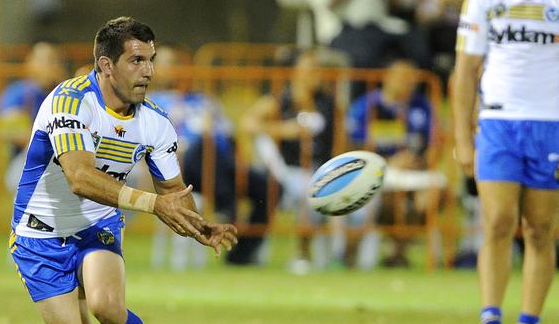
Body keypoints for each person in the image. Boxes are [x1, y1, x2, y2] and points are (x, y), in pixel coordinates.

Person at [8, 17, 237, 324]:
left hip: (96, 224)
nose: (148, 72)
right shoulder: (69, 102)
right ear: (107, 65)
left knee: (108, 308)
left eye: (151, 60)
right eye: (136, 61)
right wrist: (153, 203)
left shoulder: (156, 123)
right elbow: (80, 178)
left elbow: (172, 191)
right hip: (37, 233)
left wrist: (199, 226)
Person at [453, 0, 559, 324]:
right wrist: (463, 141)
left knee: (540, 230)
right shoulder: (483, 1)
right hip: (499, 121)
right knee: (498, 221)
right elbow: (465, 69)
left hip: (551, 124)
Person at [148, 45, 278, 267]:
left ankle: (240, 254)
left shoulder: (205, 100)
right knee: (204, 142)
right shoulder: (150, 101)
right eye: (165, 64)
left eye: (176, 64)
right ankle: (225, 204)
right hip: (183, 169)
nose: (173, 70)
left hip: (222, 168)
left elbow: (228, 134)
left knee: (269, 188)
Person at [242, 48, 338, 274]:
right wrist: (282, 130)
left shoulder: (327, 102)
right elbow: (247, 123)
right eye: (309, 69)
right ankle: (302, 255)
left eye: (318, 69)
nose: (316, 74)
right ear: (294, 72)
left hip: (323, 169)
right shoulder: (281, 100)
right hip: (288, 171)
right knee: (311, 191)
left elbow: (340, 139)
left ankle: (343, 258)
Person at [345, 59, 434, 269]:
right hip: (375, 173)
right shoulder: (367, 106)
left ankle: (398, 253)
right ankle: (351, 254)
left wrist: (420, 161)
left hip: (413, 173)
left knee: (431, 198)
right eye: (403, 78)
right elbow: (351, 144)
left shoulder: (422, 107)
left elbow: (435, 142)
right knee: (395, 202)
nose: (408, 83)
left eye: (412, 79)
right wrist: (388, 162)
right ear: (388, 78)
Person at [0, 41, 67, 191]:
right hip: (28, 163)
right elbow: (8, 130)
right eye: (42, 60)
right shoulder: (18, 93)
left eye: (54, 60)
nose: (49, 66)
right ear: (29, 63)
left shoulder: (66, 93)